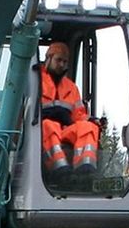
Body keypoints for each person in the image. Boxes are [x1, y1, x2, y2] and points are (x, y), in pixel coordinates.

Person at [39, 41, 101, 176]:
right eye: (58, 60)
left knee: (88, 127)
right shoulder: (35, 81)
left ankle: (85, 167)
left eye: (65, 62)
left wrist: (91, 120)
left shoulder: (71, 87)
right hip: (40, 131)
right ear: (48, 58)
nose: (61, 65)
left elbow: (79, 115)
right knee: (48, 125)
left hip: (64, 130)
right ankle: (58, 168)